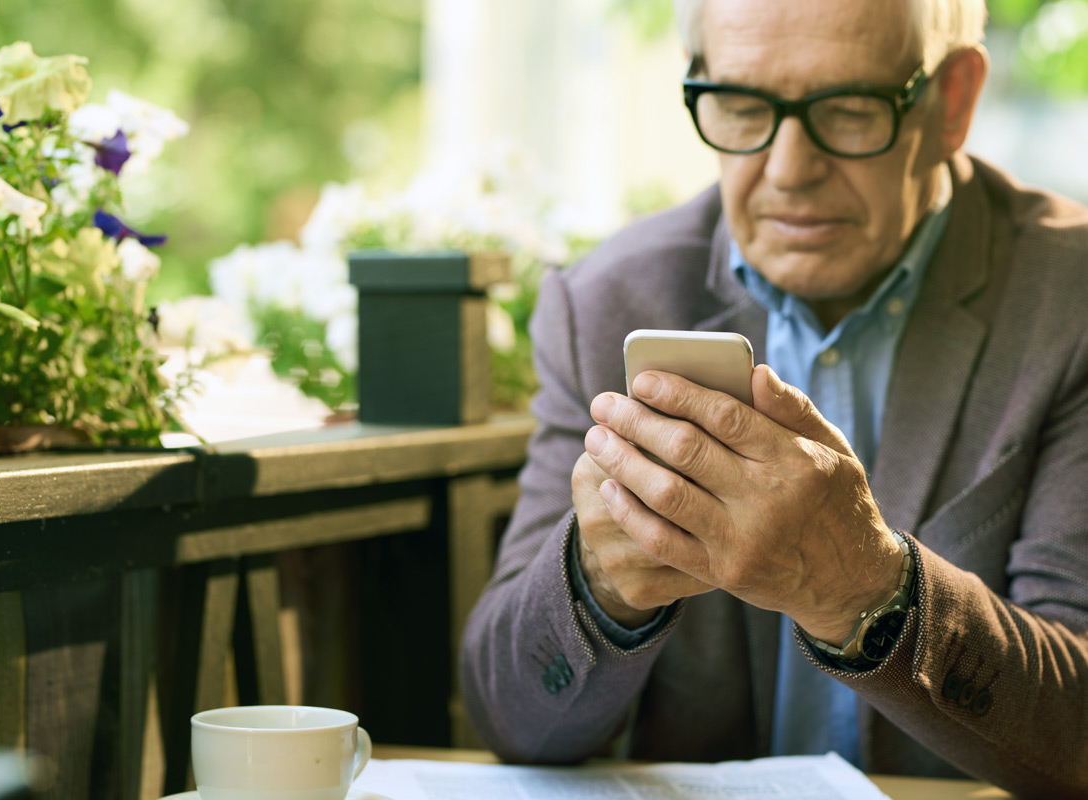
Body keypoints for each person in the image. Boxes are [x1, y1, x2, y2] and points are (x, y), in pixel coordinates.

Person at [460, 0, 1088, 796]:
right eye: (744, 106)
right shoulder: (608, 303)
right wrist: (598, 589)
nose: (788, 170)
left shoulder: (1071, 305)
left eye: (850, 110)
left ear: (953, 101)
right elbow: (509, 717)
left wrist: (872, 591)